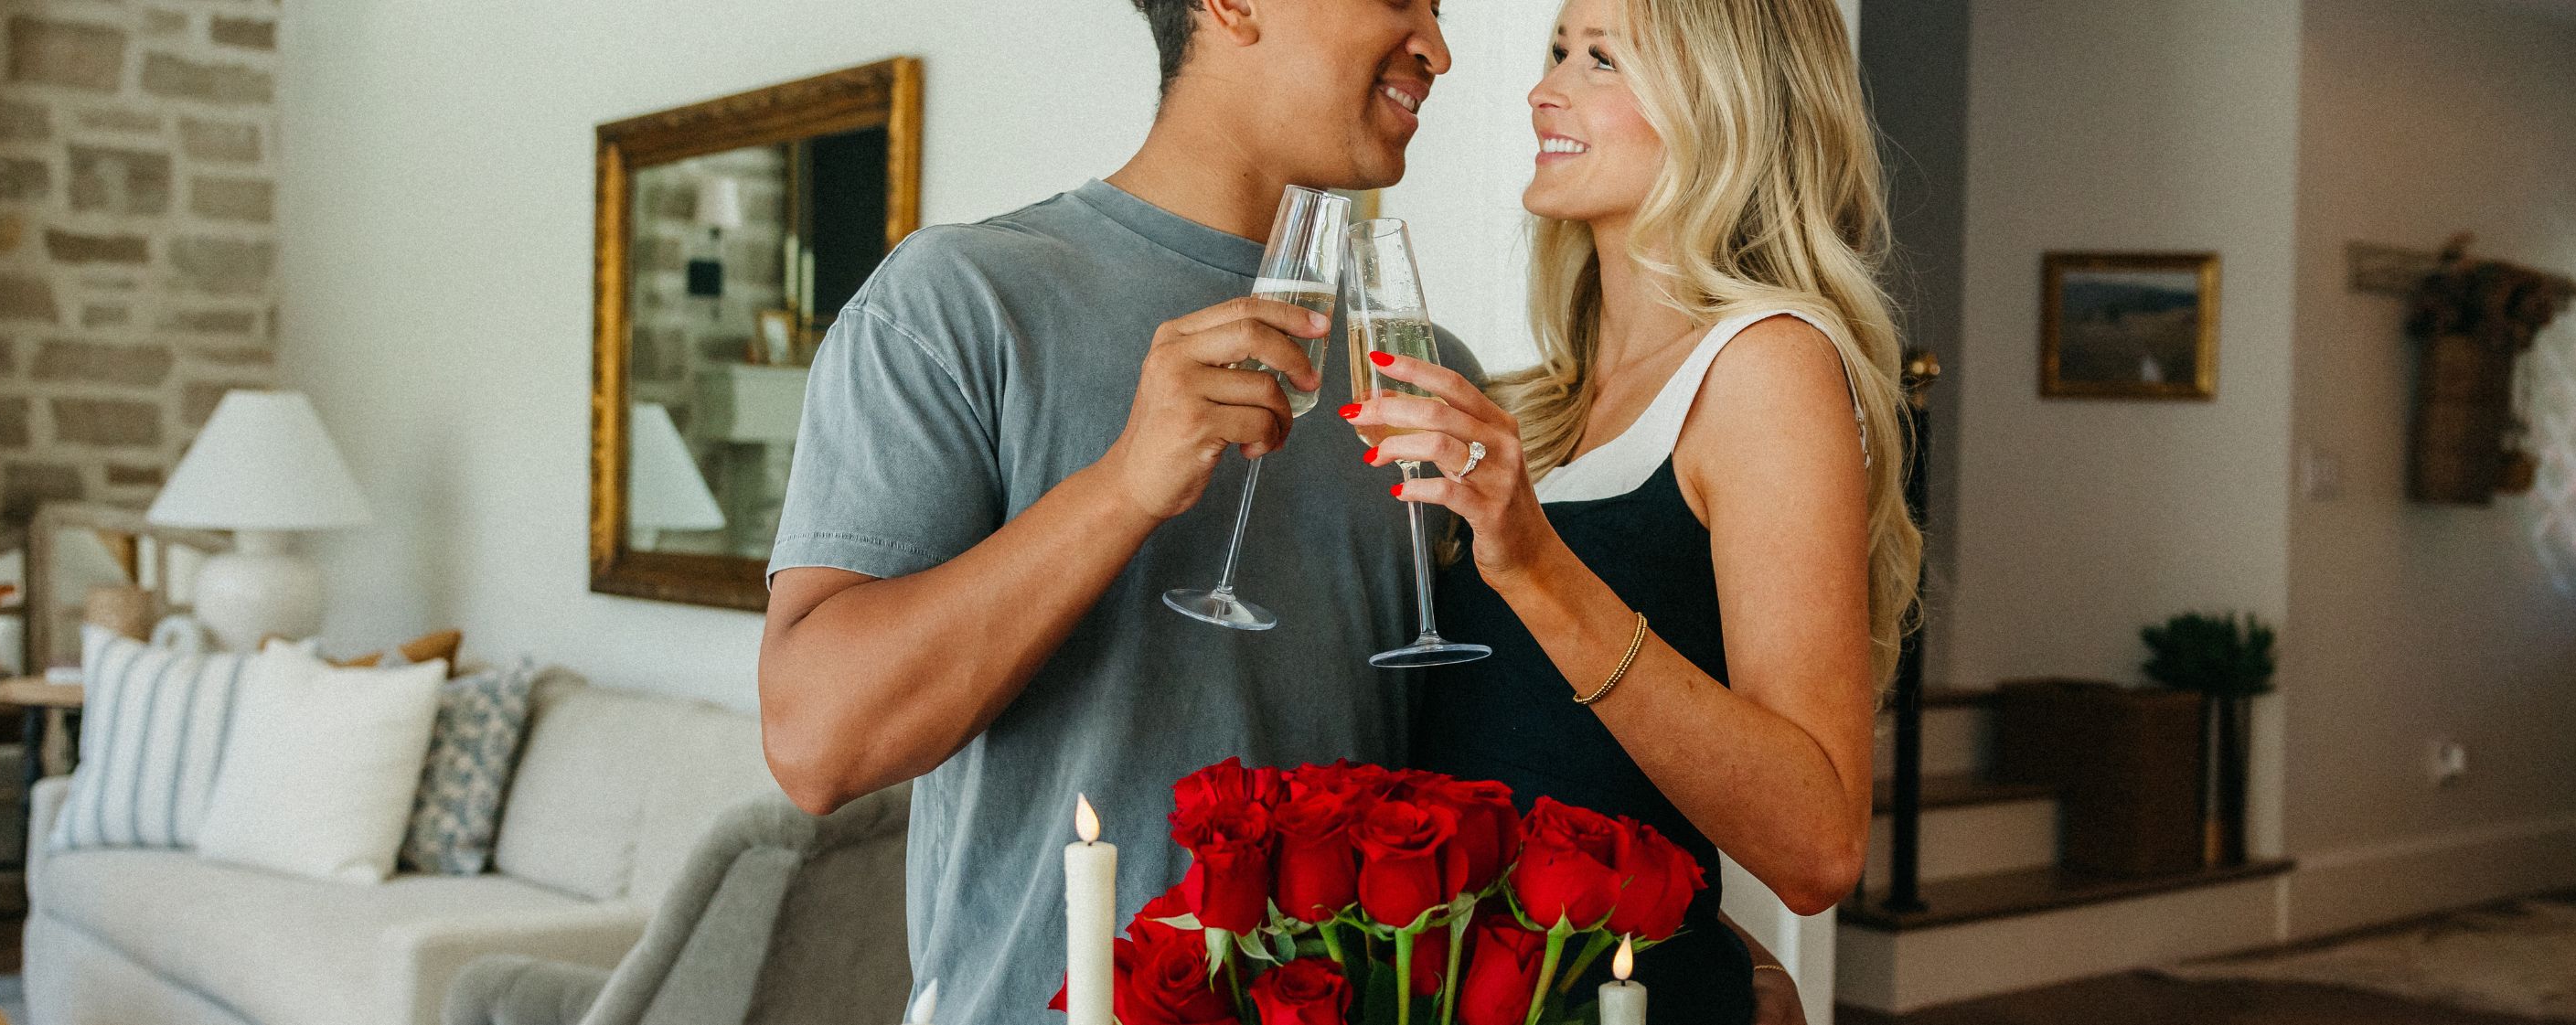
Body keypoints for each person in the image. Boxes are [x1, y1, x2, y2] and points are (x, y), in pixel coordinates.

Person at [754, 3, 1480, 1022]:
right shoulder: (956, 303)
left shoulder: (1427, 376)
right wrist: (1122, 486)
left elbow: (1466, 779)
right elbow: (817, 743)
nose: (1436, 48)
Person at [1351, 0, 1918, 1020]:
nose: (1543, 89)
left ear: (1724, 109)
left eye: (1600, 60)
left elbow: (1817, 843)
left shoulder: (1765, 364)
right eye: (1557, 51)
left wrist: (1531, 562)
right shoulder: (1539, 395)